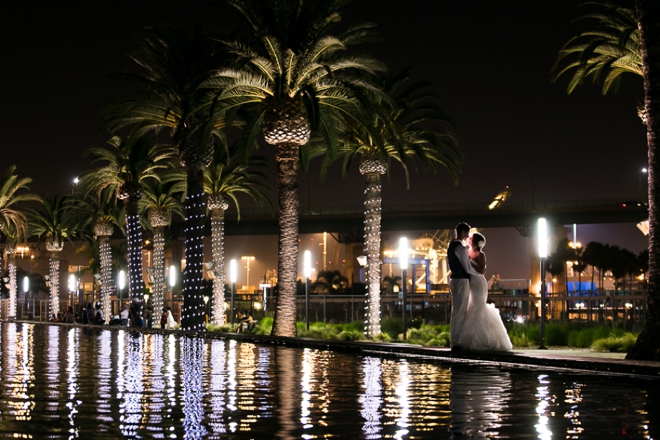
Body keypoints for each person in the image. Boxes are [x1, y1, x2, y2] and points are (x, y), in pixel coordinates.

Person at [455, 233, 512, 351]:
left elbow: (482, 271)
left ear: (476, 242)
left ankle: (482, 340)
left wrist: (470, 264)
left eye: (471, 239)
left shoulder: (481, 255)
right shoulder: (466, 252)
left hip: (479, 283)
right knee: (471, 306)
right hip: (470, 282)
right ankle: (471, 338)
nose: (469, 240)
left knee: (478, 306)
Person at [447, 222, 481, 350]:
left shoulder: (451, 245)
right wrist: (478, 274)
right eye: (467, 233)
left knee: (456, 310)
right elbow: (467, 268)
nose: (468, 236)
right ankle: (456, 342)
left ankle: (454, 339)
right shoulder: (460, 248)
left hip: (454, 280)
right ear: (462, 233)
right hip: (461, 280)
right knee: (460, 311)